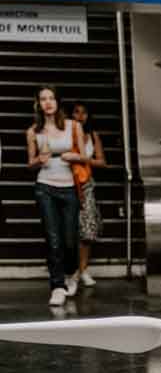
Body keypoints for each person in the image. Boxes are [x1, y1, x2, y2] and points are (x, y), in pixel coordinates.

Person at [26, 86, 86, 307]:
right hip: (45, 188)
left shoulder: (74, 126)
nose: (48, 102)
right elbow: (29, 164)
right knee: (53, 240)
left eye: (51, 98)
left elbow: (84, 157)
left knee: (70, 240)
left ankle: (71, 273)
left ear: (58, 102)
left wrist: (74, 156)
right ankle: (57, 286)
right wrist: (38, 161)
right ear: (38, 104)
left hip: (69, 187)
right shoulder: (33, 131)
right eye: (43, 99)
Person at [70, 102, 106, 287]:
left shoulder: (92, 135)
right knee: (70, 231)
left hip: (87, 185)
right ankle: (71, 272)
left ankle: (82, 270)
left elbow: (102, 162)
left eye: (84, 112)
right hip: (67, 184)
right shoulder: (66, 136)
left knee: (87, 229)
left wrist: (83, 160)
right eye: (76, 112)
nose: (80, 115)